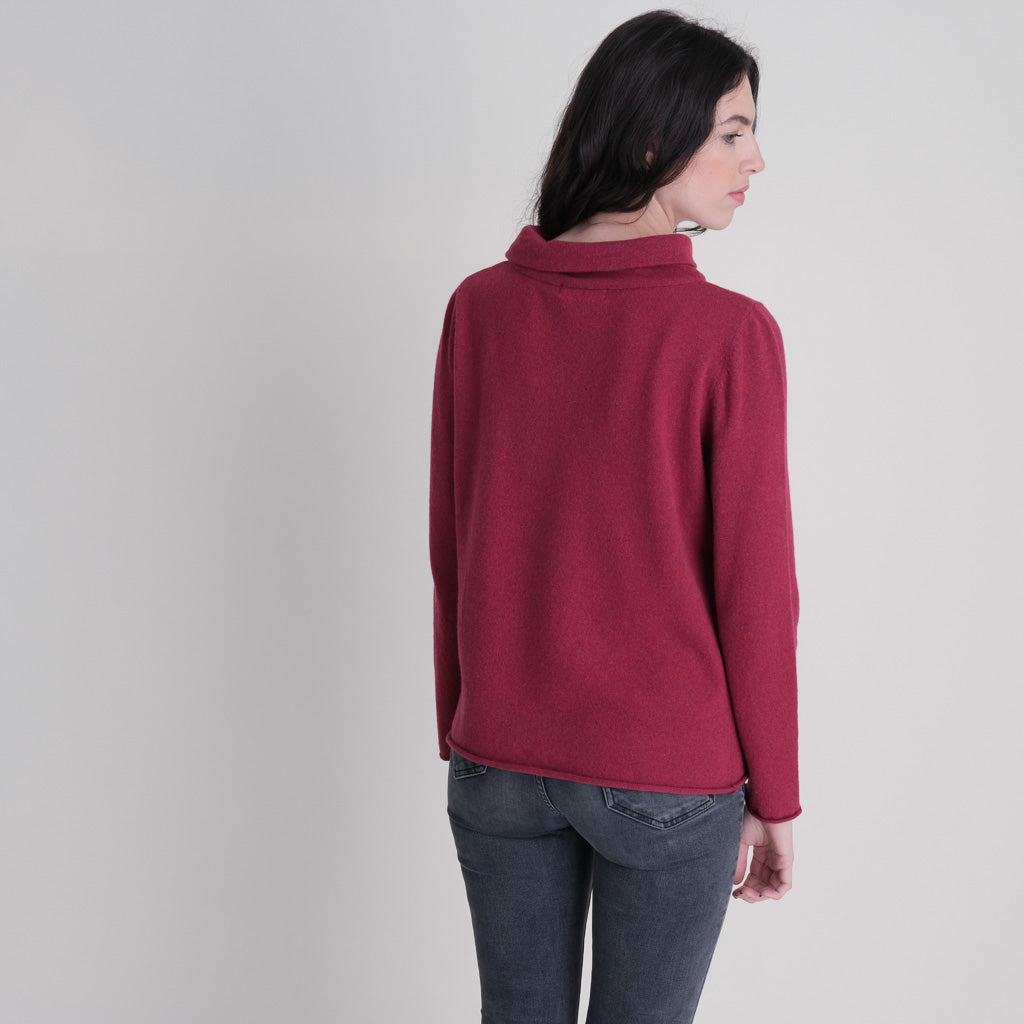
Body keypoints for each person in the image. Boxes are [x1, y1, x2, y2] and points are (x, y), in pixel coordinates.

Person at [429, 10, 800, 1023]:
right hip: (664, 774)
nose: (755, 160)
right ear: (648, 138)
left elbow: (454, 544)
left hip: (497, 760)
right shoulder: (728, 335)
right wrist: (775, 794)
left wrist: (465, 719)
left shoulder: (478, 308)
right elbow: (756, 587)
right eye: (732, 130)